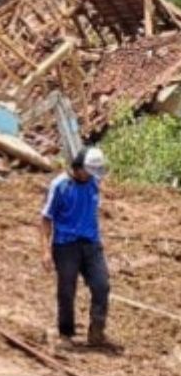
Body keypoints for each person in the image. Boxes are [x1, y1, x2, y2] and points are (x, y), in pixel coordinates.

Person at [41, 145, 119, 352]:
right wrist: (46, 250)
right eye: (88, 172)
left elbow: (98, 196)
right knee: (66, 290)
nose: (90, 176)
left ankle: (97, 332)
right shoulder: (59, 186)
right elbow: (46, 219)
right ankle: (66, 334)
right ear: (78, 167)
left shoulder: (93, 182)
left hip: (91, 244)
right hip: (65, 245)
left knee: (101, 285)